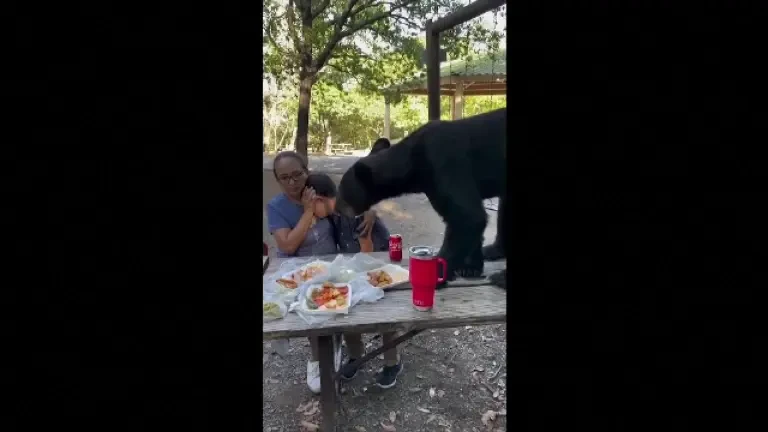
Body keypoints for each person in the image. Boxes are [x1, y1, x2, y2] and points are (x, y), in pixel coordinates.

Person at [265, 151, 377, 393]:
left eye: (297, 174)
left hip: (331, 266)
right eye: (285, 178)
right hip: (297, 272)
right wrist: (307, 212)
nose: (292, 182)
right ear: (278, 180)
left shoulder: (319, 188)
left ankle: (354, 354)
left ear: (307, 171)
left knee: (347, 307)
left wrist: (369, 210)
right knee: (312, 314)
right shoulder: (277, 207)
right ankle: (318, 357)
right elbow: (287, 245)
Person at [304, 161, 404, 389]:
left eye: (311, 205)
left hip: (380, 266)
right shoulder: (333, 214)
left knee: (384, 315)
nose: (311, 212)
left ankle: (392, 362)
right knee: (345, 308)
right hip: (359, 265)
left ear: (320, 199)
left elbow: (367, 250)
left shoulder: (354, 211)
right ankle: (356, 356)